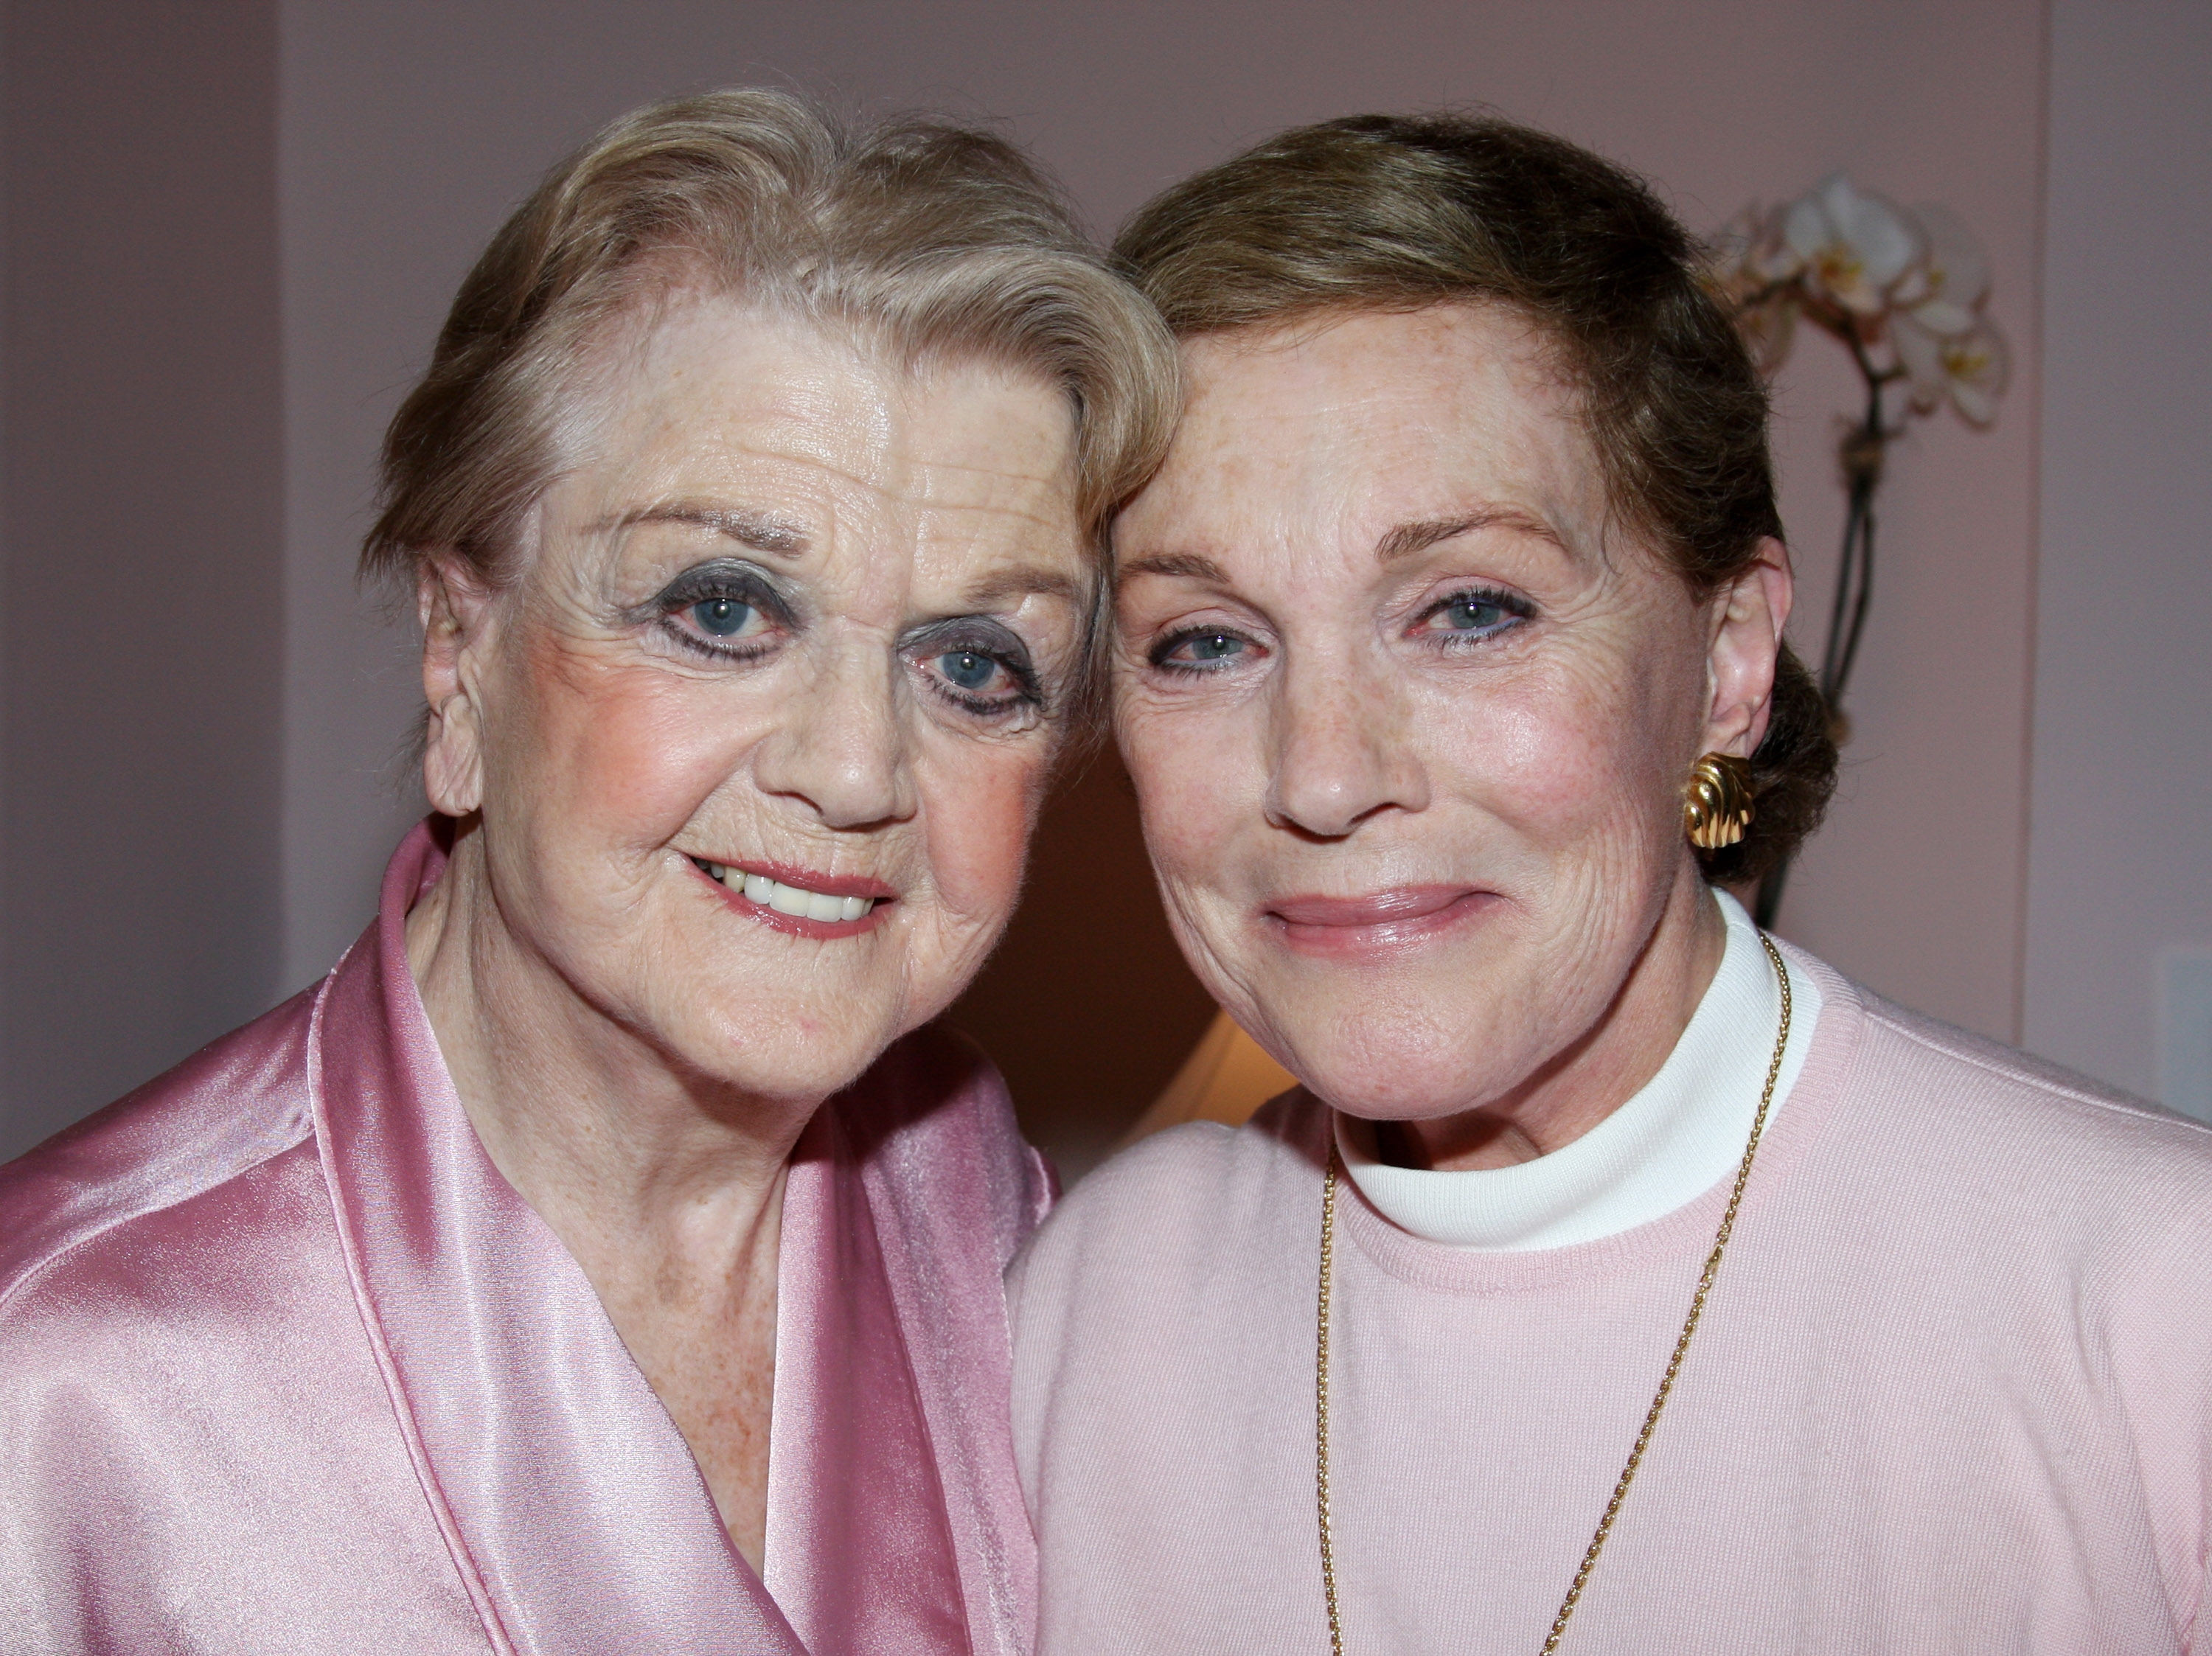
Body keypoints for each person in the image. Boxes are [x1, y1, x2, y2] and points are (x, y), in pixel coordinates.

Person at [1011, 113, 2212, 1652]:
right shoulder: (1088, 1315)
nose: (1320, 773)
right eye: (1205, 640)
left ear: (1726, 662)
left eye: (1468, 609)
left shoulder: (2147, 1306)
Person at [0, 90, 1174, 1655]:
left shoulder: (978, 1212)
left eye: (973, 663)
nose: (855, 770)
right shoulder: (61, 1380)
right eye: (722, 607)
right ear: (460, 648)